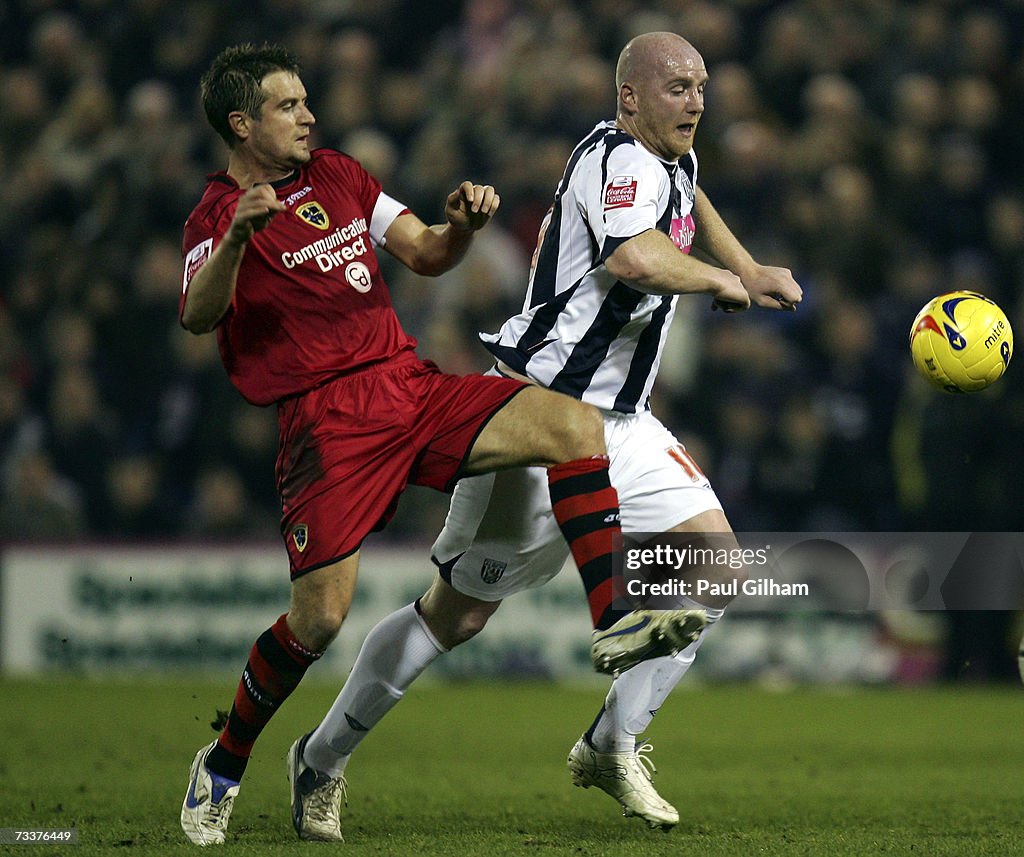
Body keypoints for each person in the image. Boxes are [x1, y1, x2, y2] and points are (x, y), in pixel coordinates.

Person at [177, 43, 708, 847]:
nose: (309, 116)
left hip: (406, 385)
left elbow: (423, 251)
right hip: (327, 426)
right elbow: (196, 314)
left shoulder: (341, 176)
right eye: (289, 107)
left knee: (571, 424)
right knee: (317, 622)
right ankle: (222, 762)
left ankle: (617, 620)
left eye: (306, 102)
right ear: (242, 122)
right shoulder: (216, 216)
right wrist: (238, 243)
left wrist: (459, 227)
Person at [294, 31, 803, 841]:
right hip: (536, 415)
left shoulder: (673, 161)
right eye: (678, 87)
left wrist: (751, 261)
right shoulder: (609, 158)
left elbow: (689, 202)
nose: (697, 101)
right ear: (629, 96)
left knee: (717, 568)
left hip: (625, 425)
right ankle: (320, 757)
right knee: (455, 617)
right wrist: (721, 280)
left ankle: (612, 742)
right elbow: (636, 257)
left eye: (702, 86)